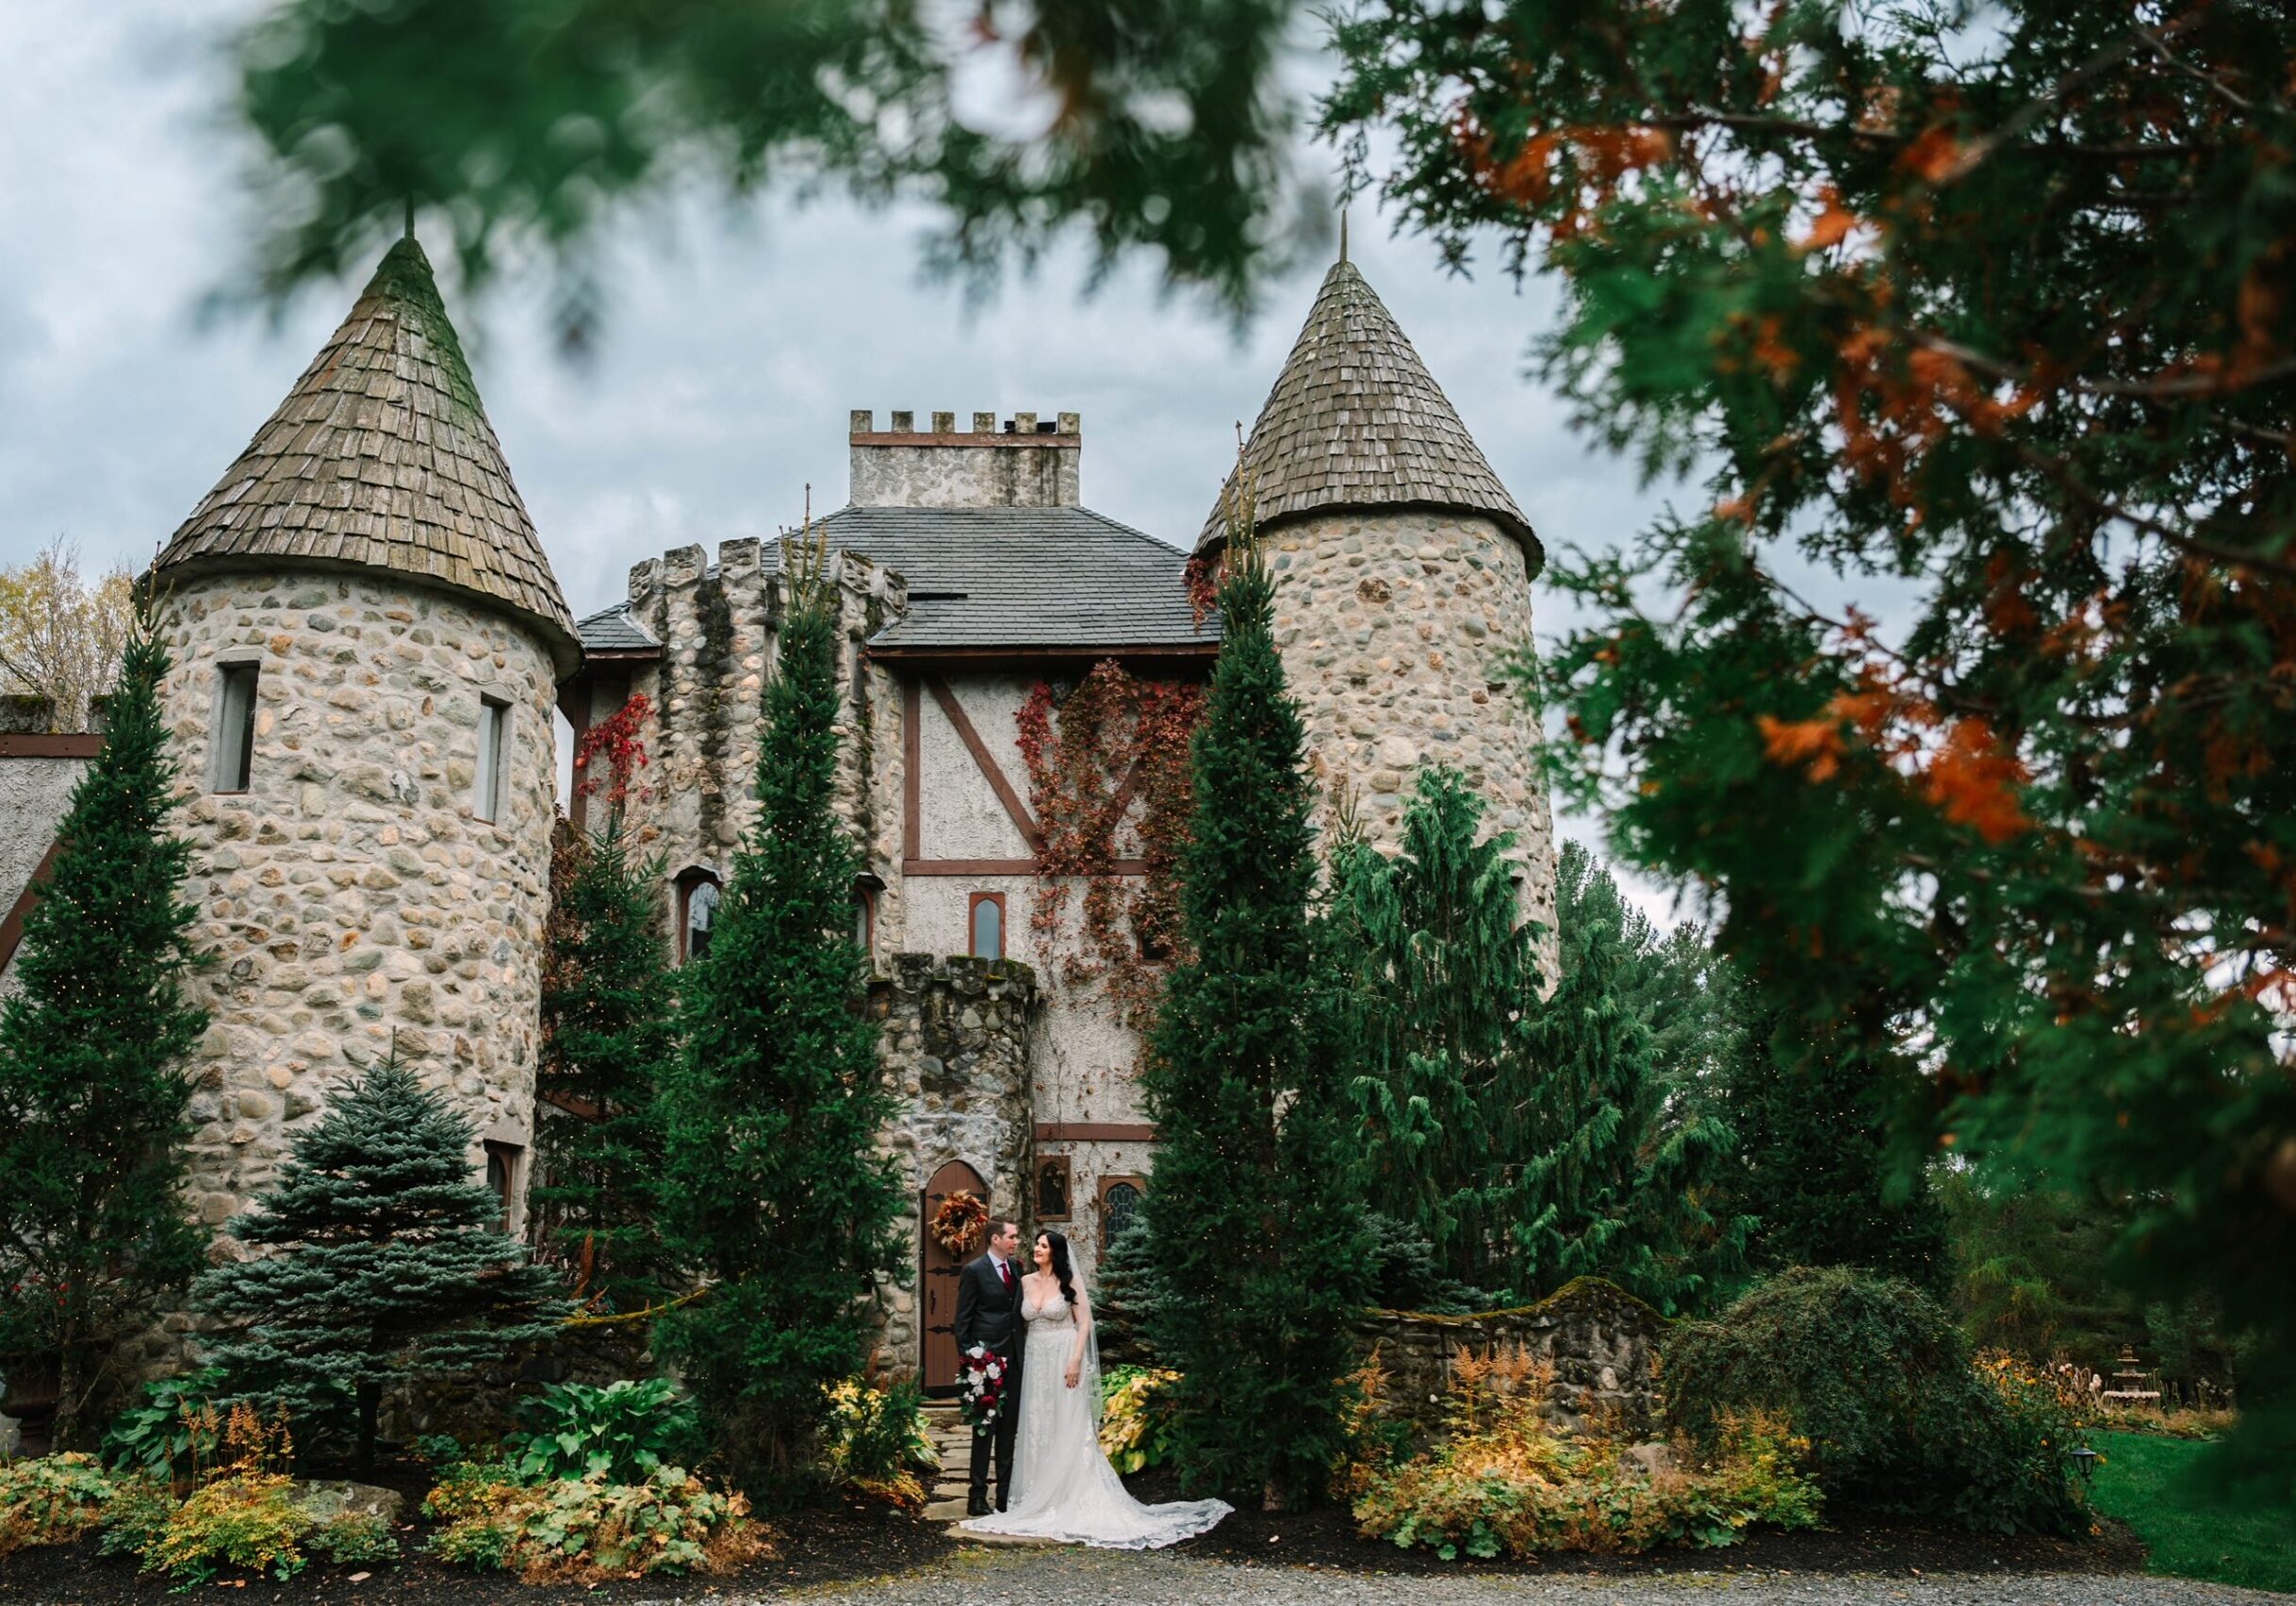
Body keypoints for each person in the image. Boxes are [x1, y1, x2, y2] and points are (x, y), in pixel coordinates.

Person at [960, 1230, 1230, 1549]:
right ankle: (1035, 1493)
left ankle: (1069, 1493)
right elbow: (1012, 1320)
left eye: (1043, 1245)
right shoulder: (1025, 1280)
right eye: (1036, 1244)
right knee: (1038, 1423)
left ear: (1055, 1251)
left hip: (1064, 1357)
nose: (1035, 1248)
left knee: (1066, 1423)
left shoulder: (1069, 1281)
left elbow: (1084, 1322)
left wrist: (1076, 1360)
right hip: (1034, 1360)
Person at [953, 1218, 1025, 1516]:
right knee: (984, 1431)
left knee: (1008, 1431)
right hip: (986, 1364)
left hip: (1015, 1360)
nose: (1016, 1241)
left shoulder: (1016, 1268)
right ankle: (977, 1497)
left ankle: (1005, 1497)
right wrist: (973, 1361)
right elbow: (962, 1321)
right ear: (996, 1239)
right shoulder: (974, 1271)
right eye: (1012, 1236)